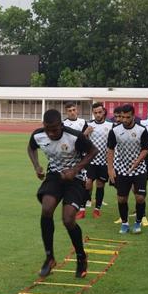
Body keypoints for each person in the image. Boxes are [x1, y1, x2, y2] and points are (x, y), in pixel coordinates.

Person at [28, 109, 97, 278]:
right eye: (48, 129)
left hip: (76, 178)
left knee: (68, 219)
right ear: (43, 126)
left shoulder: (74, 136)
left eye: (55, 129)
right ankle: (49, 258)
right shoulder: (38, 135)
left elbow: (93, 151)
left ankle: (81, 257)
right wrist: (36, 166)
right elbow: (31, 148)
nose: (51, 134)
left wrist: (75, 170)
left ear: (61, 125)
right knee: (46, 209)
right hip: (55, 175)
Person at [107, 104, 148, 234]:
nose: (124, 120)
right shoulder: (115, 131)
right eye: (122, 117)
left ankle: (137, 223)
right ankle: (125, 224)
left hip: (139, 170)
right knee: (122, 199)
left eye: (127, 117)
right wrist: (110, 169)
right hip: (121, 169)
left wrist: (137, 161)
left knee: (140, 198)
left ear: (133, 116)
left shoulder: (141, 130)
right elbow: (110, 150)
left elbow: (145, 149)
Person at [63, 102, 91, 219]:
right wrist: (83, 134)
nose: (72, 112)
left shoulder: (83, 122)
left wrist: (84, 136)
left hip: (82, 156)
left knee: (85, 182)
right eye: (70, 111)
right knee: (69, 181)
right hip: (69, 158)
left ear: (77, 110)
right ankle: (71, 204)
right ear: (66, 112)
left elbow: (86, 139)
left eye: (74, 110)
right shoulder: (63, 124)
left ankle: (83, 206)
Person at [85, 103, 113, 218]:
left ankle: (97, 209)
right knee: (88, 183)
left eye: (99, 112)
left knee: (100, 184)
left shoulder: (110, 125)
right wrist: (85, 134)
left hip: (104, 161)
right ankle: (86, 202)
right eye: (95, 113)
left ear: (104, 112)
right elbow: (81, 141)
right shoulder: (88, 125)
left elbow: (113, 143)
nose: (97, 115)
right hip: (91, 160)